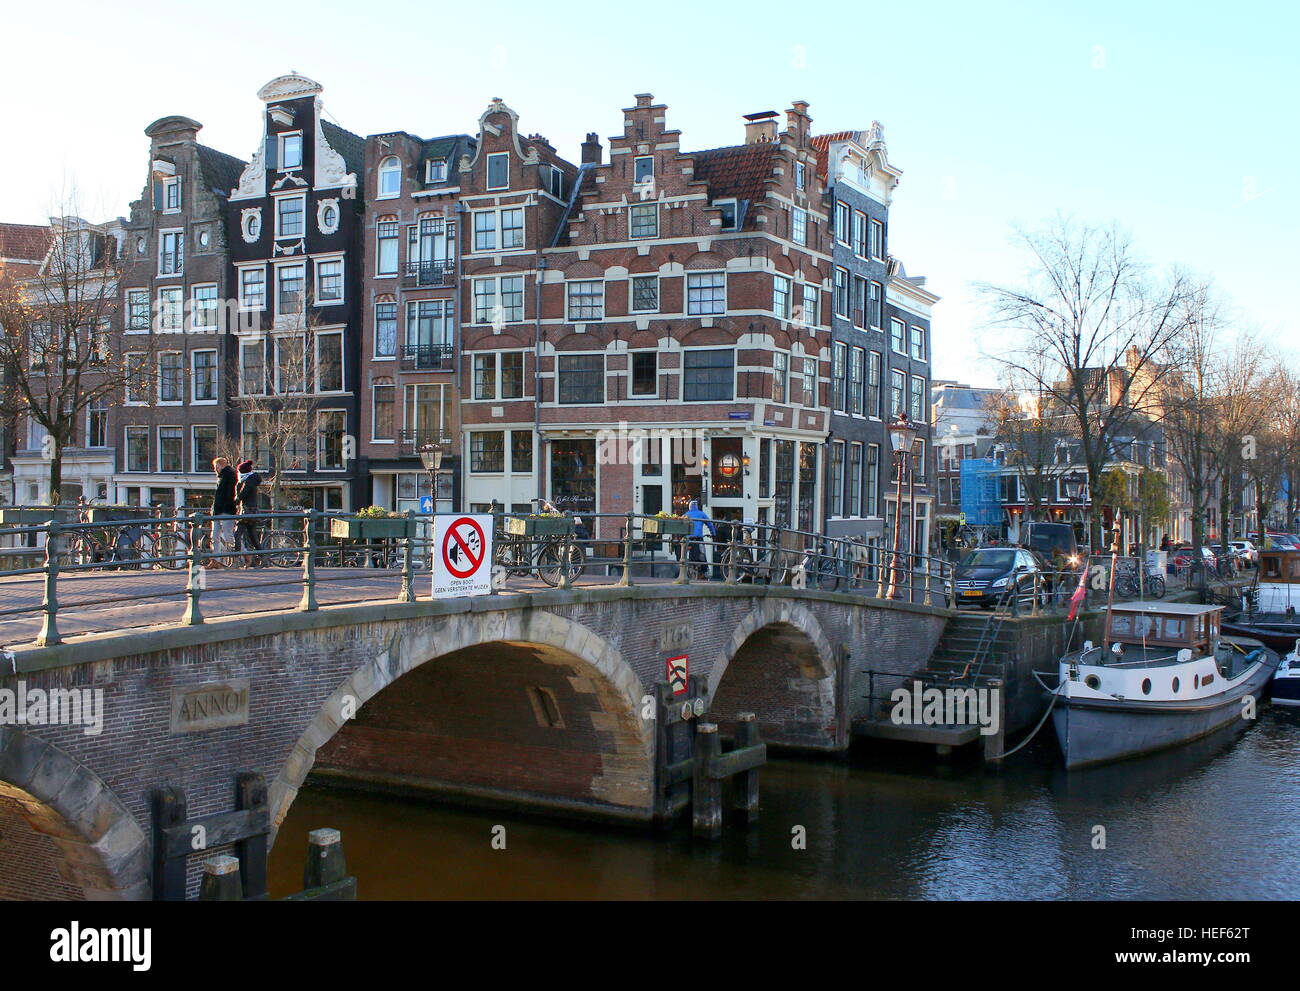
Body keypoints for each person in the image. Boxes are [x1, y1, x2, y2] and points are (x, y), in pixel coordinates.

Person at [233, 460, 264, 567]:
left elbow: (241, 496)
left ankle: (236, 560)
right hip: (253, 511)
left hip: (246, 512)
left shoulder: (248, 481)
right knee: (253, 537)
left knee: (237, 535)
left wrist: (236, 494)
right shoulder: (251, 479)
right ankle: (264, 559)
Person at [210, 458, 237, 568]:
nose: (215, 469)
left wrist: (225, 508)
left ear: (221, 466)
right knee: (214, 536)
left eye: (216, 467)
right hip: (217, 511)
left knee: (228, 535)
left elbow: (228, 495)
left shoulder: (229, 475)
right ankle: (216, 560)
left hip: (226, 511)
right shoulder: (220, 477)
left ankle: (239, 556)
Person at [684, 499, 716, 579]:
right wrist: (713, 534)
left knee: (690, 554)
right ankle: (704, 572)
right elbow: (710, 524)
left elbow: (680, 524)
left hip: (689, 538)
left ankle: (690, 568)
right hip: (698, 538)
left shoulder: (686, 514)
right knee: (702, 555)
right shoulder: (701, 514)